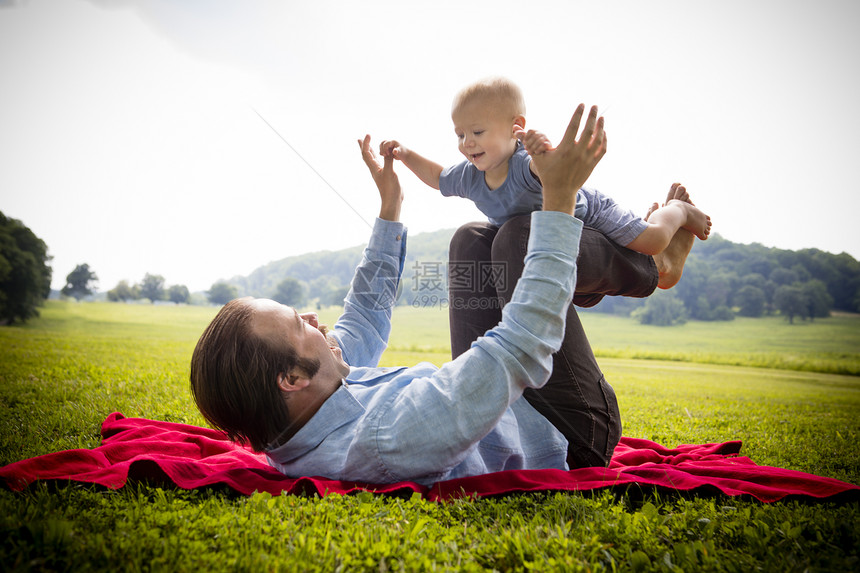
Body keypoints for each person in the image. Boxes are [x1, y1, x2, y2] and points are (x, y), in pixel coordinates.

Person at [190, 105, 661, 485]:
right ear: (290, 378)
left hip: (502, 404)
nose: (313, 318)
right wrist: (559, 195)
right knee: (521, 234)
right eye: (298, 324)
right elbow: (521, 346)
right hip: (566, 430)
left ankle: (641, 262)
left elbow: (363, 319)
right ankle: (655, 265)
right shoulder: (385, 437)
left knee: (473, 239)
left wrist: (390, 205)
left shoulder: (309, 403)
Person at [380, 76, 711, 289]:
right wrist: (406, 155)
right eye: (460, 134)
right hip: (551, 237)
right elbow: (438, 178)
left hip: (589, 212)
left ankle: (677, 213)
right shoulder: (469, 176)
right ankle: (654, 227)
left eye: (477, 132)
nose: (467, 142)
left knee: (651, 242)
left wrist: (541, 154)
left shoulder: (523, 162)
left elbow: (549, 172)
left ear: (516, 128)